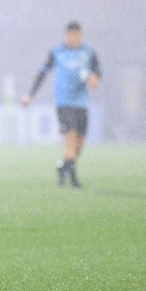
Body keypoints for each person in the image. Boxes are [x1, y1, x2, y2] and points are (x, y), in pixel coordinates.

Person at [21, 21, 101, 188]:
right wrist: (30, 95)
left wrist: (93, 79)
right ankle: (74, 181)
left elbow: (96, 76)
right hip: (63, 102)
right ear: (65, 35)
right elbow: (42, 74)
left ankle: (63, 167)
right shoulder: (57, 52)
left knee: (80, 143)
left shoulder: (89, 53)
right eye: (70, 35)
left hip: (81, 102)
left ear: (80, 36)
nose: (72, 38)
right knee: (70, 139)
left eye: (76, 36)